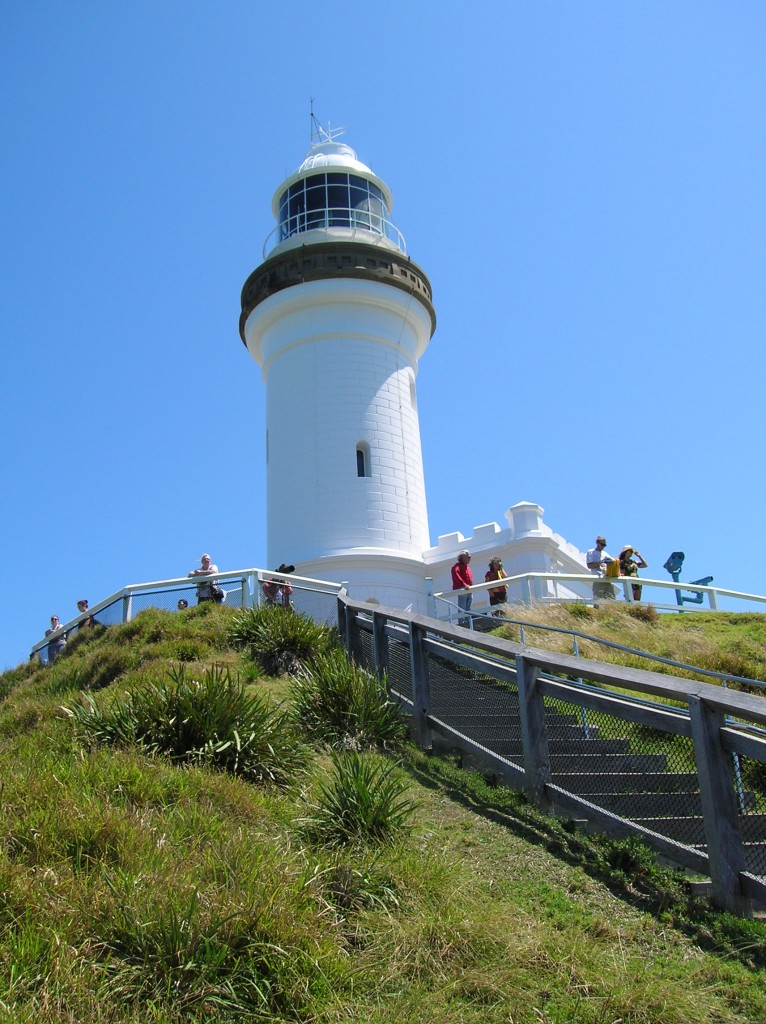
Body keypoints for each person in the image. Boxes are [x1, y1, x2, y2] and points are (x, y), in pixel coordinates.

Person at [586, 536, 616, 601]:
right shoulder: (591, 552)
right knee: (597, 600)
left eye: (604, 545)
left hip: (607, 579)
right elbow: (589, 565)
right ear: (597, 542)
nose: (603, 546)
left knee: (611, 600)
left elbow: (614, 561)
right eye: (602, 544)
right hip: (598, 579)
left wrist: (611, 561)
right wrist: (601, 562)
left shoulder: (605, 554)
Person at [451, 550, 473, 627]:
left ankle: (469, 624)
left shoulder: (467, 567)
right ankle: (462, 625)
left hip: (469, 591)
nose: (470, 559)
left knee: (468, 609)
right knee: (462, 608)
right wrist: (464, 585)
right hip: (462, 590)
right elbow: (456, 576)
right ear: (463, 557)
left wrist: (470, 588)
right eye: (469, 557)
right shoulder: (456, 567)